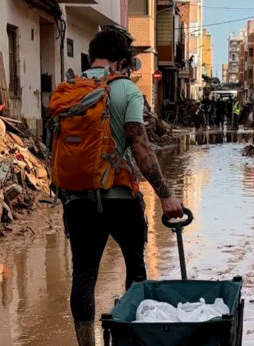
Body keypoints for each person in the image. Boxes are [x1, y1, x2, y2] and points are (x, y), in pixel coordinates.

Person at [61, 28, 184, 346]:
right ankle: (134, 339)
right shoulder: (126, 90)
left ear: (90, 57)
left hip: (78, 200)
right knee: (135, 265)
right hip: (119, 198)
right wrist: (166, 195)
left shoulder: (69, 90)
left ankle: (87, 343)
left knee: (84, 276)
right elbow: (140, 147)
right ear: (123, 61)